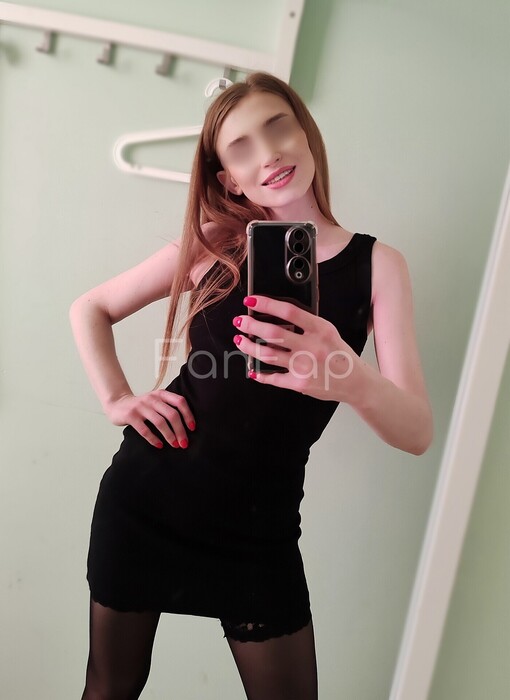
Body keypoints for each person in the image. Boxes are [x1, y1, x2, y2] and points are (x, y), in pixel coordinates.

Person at [69, 71, 433, 700]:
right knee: (109, 688)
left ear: (306, 133)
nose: (268, 154)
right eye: (241, 148)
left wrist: (349, 376)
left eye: (278, 126)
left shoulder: (378, 266)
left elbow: (417, 432)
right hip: (148, 500)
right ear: (228, 180)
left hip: (260, 532)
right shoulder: (215, 242)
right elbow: (90, 308)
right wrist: (117, 399)